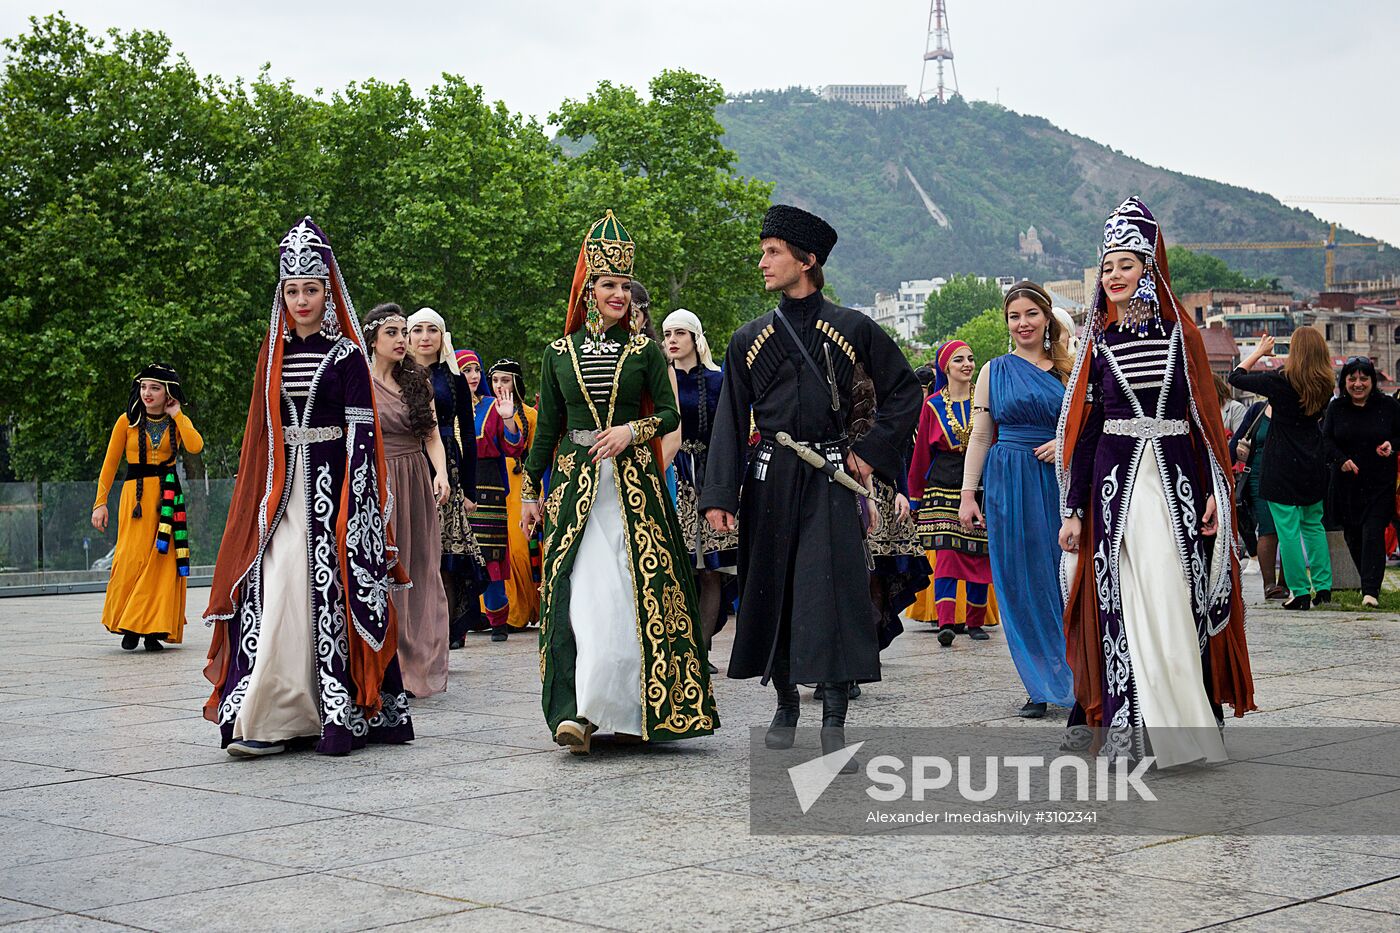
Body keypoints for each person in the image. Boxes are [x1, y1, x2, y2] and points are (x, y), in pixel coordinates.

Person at [702, 204, 919, 770]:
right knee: (774, 588)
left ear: (807, 259)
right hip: (770, 478)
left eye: (772, 251)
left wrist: (869, 454)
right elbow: (730, 417)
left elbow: (905, 393)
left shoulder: (852, 327)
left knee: (833, 594)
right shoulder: (748, 338)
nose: (762, 261)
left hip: (829, 477)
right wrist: (720, 495)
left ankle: (832, 717)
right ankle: (784, 704)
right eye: (763, 250)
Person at [203, 217, 413, 757]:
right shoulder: (271, 356)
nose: (301, 299)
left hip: (331, 493)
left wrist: (356, 507)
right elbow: (259, 435)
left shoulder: (345, 356)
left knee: (316, 591)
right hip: (278, 498)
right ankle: (266, 716)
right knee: (269, 593)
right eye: (292, 290)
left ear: (327, 291)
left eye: (311, 289)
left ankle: (321, 715)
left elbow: (362, 435)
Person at [1058, 198, 1254, 766]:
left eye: (1125, 264)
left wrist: (1217, 492)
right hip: (1113, 497)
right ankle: (1132, 736)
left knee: (1172, 598)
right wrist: (1073, 509)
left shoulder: (1181, 339)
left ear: (1148, 269)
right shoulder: (1097, 347)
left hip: (1175, 491)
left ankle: (1185, 731)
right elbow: (1088, 432)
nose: (1114, 276)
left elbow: (1205, 428)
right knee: (1122, 603)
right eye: (1107, 266)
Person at [520, 210, 717, 755]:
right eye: (608, 284)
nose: (619, 293)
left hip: (633, 494)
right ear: (588, 287)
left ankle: (631, 710)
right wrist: (530, 492)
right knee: (583, 598)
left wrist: (633, 429)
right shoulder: (556, 355)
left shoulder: (645, 351)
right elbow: (549, 431)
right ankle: (580, 713)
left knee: (634, 597)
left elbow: (671, 417)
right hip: (573, 491)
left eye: (625, 285)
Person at [959, 281, 1075, 719]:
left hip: (1058, 483)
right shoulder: (992, 370)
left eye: (1030, 314)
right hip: (1007, 481)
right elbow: (982, 434)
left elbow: (1093, 427)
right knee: (1018, 583)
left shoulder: (1070, 369)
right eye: (1014, 316)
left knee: (1060, 580)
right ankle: (1038, 683)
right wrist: (969, 494)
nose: (1022, 323)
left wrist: (1064, 445)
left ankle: (1074, 675)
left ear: (1046, 317)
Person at [365, 305, 452, 697]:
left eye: (405, 332)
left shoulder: (417, 378)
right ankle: (387, 665)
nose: (403, 340)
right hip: (376, 480)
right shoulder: (358, 380)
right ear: (372, 339)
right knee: (384, 570)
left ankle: (422, 665)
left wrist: (442, 474)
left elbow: (432, 434)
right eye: (393, 333)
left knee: (422, 567)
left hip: (415, 475)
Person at [92, 364, 203, 651]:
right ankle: (128, 624)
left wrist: (178, 415)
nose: (147, 393)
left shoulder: (176, 423)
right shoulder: (125, 422)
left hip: (167, 498)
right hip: (135, 500)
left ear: (168, 393)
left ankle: (153, 629)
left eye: (154, 388)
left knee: (162, 561)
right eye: (144, 387)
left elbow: (195, 446)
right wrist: (99, 504)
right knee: (131, 558)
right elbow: (109, 465)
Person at [1230, 329, 1335, 610]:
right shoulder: (1326, 383)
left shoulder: (1280, 382)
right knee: (1313, 525)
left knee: (1287, 529)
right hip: (1312, 461)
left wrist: (1259, 352)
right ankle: (1323, 588)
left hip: (1281, 463)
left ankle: (1299, 591)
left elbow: (1236, 377)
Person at [407, 308, 484, 650]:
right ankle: (414, 633)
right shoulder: (397, 375)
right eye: (418, 330)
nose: (425, 336)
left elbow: (468, 433)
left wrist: (470, 487)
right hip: (406, 464)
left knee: (446, 556)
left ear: (442, 337)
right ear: (407, 337)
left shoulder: (453, 379)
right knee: (415, 552)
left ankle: (446, 633)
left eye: (432, 330)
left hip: (445, 469)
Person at [662, 308, 737, 649]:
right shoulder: (660, 380)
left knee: (711, 570)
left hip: (709, 476)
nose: (672, 340)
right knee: (679, 570)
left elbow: (729, 433)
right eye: (667, 335)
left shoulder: (718, 380)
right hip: (672, 474)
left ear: (695, 338)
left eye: (679, 333)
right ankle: (683, 648)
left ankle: (702, 648)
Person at [909, 341, 993, 647]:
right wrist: (915, 495)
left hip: (979, 484)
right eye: (959, 360)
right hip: (942, 486)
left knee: (978, 553)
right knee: (946, 555)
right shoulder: (932, 405)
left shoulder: (985, 399)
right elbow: (921, 454)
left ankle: (975, 622)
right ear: (946, 367)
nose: (967, 364)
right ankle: (945, 622)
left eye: (971, 358)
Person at [1323, 356, 1400, 607]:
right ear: (1344, 381)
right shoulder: (1336, 408)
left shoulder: (1388, 406)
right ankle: (1366, 580)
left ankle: (1370, 591)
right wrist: (1340, 459)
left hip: (1380, 483)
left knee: (1373, 532)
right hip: (1347, 484)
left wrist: (1392, 445)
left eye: (1364, 378)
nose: (1358, 384)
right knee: (1353, 536)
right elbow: (1326, 441)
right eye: (1352, 378)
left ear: (1372, 381)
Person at [469, 357, 528, 640]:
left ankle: (498, 620)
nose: (471, 376)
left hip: (488, 485)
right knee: (455, 556)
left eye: (475, 370)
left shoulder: (492, 406)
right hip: (455, 483)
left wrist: (507, 419)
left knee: (490, 555)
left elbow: (513, 447)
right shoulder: (446, 407)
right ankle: (459, 626)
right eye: (464, 370)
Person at [492, 358, 543, 630]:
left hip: (523, 486)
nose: (500, 385)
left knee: (523, 549)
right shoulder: (488, 413)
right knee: (500, 550)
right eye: (496, 380)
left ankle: (529, 608)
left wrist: (539, 491)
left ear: (516, 383)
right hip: (495, 486)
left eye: (505, 380)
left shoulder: (532, 416)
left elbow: (540, 456)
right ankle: (508, 614)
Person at [1230, 400, 1285, 599]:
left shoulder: (1298, 407)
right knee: (1267, 527)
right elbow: (1237, 440)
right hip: (1259, 477)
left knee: (1287, 529)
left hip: (1289, 475)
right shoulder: (1258, 409)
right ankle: (1270, 585)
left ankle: (1287, 583)